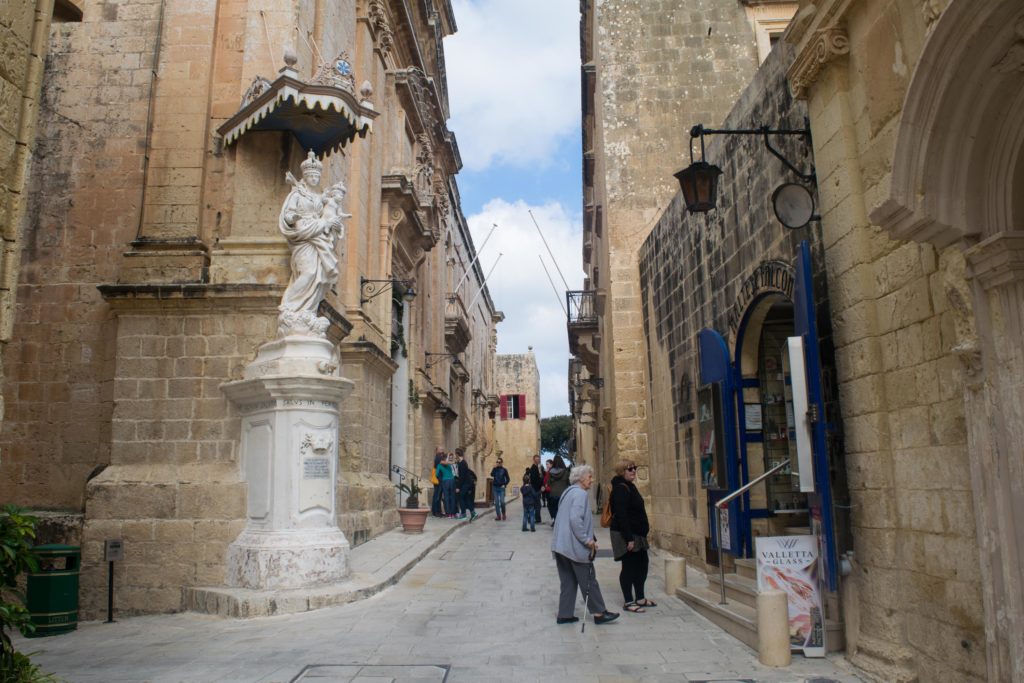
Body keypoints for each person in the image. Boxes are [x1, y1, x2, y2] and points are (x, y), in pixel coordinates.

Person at [278, 151, 346, 332]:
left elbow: (329, 211)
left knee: (320, 276)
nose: (315, 179)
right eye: (312, 176)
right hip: (304, 235)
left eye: (317, 176)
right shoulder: (296, 194)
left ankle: (307, 310)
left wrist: (333, 221)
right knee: (307, 273)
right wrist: (294, 216)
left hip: (319, 235)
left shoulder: (318, 197)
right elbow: (288, 214)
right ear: (305, 177)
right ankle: (289, 306)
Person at [550, 465, 618, 625]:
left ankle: (565, 614)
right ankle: (599, 613)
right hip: (573, 546)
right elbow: (575, 519)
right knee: (588, 579)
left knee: (568, 581)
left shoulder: (567, 492)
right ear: (581, 479)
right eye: (589, 477)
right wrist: (587, 540)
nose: (592, 480)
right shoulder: (580, 494)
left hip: (560, 546)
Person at [609, 460, 655, 612]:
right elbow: (621, 516)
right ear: (622, 471)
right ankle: (628, 601)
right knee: (629, 567)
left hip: (638, 534)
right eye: (630, 469)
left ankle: (640, 597)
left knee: (642, 564)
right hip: (627, 534)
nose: (634, 471)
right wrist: (629, 538)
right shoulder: (620, 489)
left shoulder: (630, 486)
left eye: (635, 468)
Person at [546, 455, 571, 523]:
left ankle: (556, 521)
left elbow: (548, 483)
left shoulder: (551, 472)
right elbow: (568, 482)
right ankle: (560, 523)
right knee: (562, 509)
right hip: (563, 493)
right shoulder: (566, 472)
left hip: (553, 493)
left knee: (554, 509)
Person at [455, 449, 477, 520]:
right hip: (467, 483)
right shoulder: (463, 462)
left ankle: (463, 514)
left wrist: (458, 487)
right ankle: (473, 513)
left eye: (456, 455)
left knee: (461, 497)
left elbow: (462, 477)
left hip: (466, 484)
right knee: (466, 498)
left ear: (457, 455)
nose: (456, 457)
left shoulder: (462, 464)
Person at [435, 453, 456, 518]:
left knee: (446, 497)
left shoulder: (439, 465)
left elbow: (436, 474)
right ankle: (453, 513)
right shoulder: (448, 463)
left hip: (445, 481)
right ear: (445, 458)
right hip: (452, 480)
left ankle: (448, 513)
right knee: (452, 497)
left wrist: (440, 477)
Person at [528, 454, 545, 524]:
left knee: (537, 505)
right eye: (537, 459)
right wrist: (541, 479)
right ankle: (535, 519)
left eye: (539, 459)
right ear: (534, 460)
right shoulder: (533, 468)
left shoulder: (538, 468)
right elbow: (535, 480)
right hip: (535, 488)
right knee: (536, 505)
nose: (538, 460)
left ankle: (537, 519)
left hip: (537, 488)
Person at [431, 446, 445, 517]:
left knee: (438, 496)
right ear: (437, 451)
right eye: (440, 449)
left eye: (442, 449)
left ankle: (437, 511)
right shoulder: (438, 457)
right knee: (437, 495)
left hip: (440, 479)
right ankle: (436, 511)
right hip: (438, 479)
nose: (442, 450)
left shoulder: (440, 456)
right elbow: (444, 463)